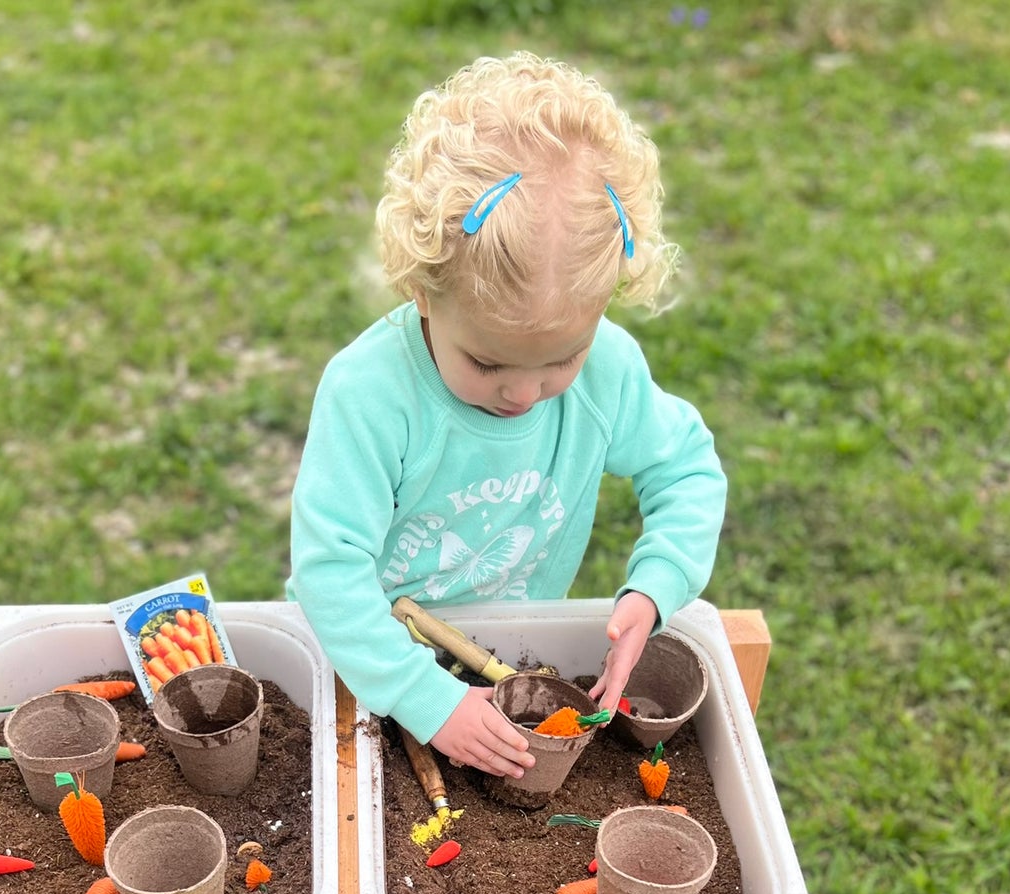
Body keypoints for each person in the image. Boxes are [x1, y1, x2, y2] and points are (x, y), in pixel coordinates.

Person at [287, 52, 726, 779]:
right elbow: (330, 574)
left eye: (561, 360)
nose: (524, 394)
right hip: (363, 659)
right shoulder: (369, 394)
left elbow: (685, 469)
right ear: (423, 290)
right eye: (487, 364)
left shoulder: (608, 372)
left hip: (506, 652)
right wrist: (424, 698)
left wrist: (653, 588)